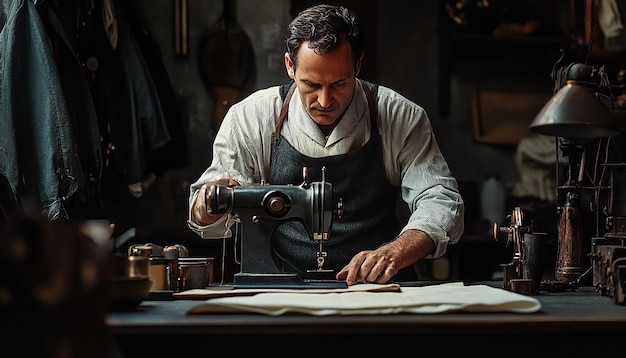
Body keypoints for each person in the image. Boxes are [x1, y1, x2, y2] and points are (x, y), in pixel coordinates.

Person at [188, 4, 464, 286]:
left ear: (357, 66)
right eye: (310, 83)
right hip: (279, 290)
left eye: (339, 84)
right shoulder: (251, 117)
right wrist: (211, 202)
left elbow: (439, 199)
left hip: (377, 289)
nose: (324, 100)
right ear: (289, 66)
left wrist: (395, 252)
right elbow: (204, 212)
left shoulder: (399, 116)